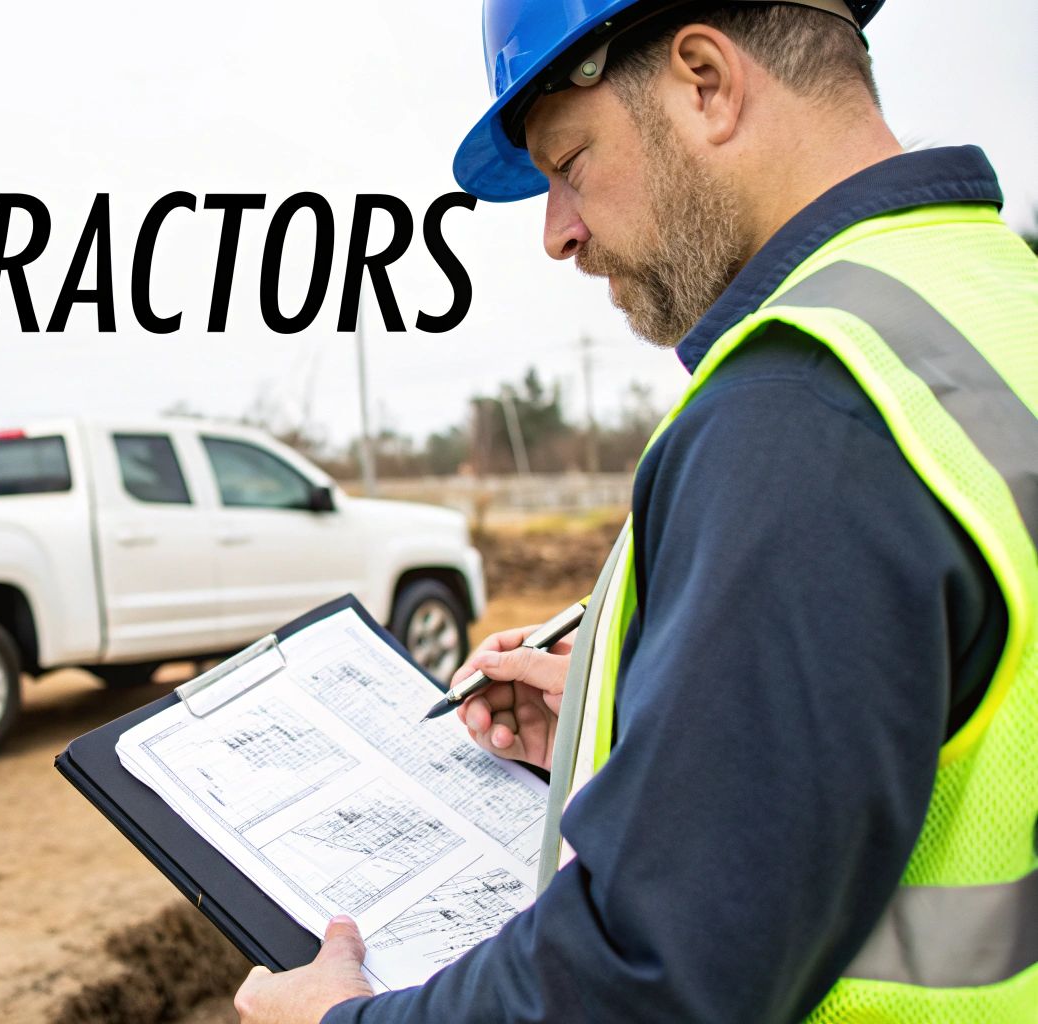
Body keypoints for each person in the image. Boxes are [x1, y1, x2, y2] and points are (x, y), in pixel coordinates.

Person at [234, 1, 1036, 1021]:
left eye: (569, 163)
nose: (557, 233)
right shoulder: (989, 299)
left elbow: (644, 984)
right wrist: (650, 729)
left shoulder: (805, 406)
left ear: (704, 80)